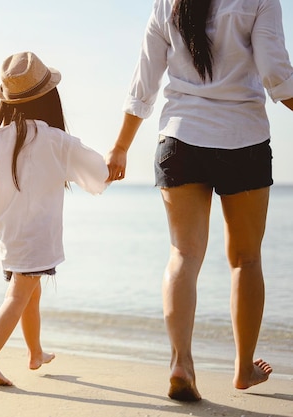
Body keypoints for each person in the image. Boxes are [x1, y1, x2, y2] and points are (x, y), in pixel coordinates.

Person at [106, 0, 293, 402]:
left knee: (183, 255)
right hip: (242, 139)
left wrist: (120, 147)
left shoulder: (166, 2)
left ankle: (181, 363)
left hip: (180, 138)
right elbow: (276, 72)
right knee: (246, 259)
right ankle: (243, 369)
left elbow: (144, 82)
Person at [0, 51, 109, 386]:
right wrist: (110, 171)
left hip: (9, 237)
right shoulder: (54, 139)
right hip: (36, 239)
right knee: (19, 296)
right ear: (49, 98)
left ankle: (35, 352)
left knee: (30, 293)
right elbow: (96, 172)